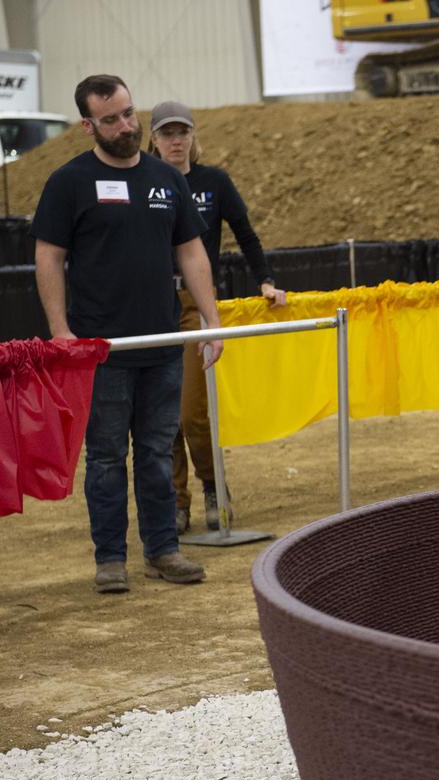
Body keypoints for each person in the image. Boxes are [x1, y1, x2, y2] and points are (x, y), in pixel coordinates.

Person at [31, 75, 223, 594]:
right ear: (87, 125)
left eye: (129, 113)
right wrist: (61, 332)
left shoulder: (166, 179)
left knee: (158, 453)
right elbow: (49, 257)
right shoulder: (69, 182)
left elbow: (191, 252)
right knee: (108, 457)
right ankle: (110, 558)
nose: (126, 126)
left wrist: (212, 321)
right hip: (102, 351)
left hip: (161, 345)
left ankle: (163, 550)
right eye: (111, 119)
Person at [146, 101, 285, 534]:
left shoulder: (213, 181)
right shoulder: (143, 182)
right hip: (149, 305)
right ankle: (175, 500)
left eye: (182, 131)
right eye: (167, 133)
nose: (175, 140)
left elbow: (246, 233)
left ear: (192, 135)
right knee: (159, 412)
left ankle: (213, 486)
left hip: (194, 302)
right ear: (153, 139)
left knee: (191, 411)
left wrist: (265, 280)